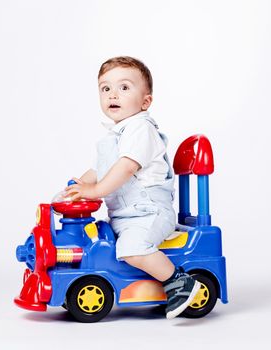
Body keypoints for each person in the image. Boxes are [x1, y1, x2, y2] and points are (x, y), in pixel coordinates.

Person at [66, 56, 200, 319]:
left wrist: (94, 191)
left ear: (145, 101)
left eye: (124, 87)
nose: (113, 94)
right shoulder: (113, 137)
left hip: (149, 213)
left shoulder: (140, 128)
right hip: (126, 217)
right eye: (106, 88)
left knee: (132, 248)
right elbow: (100, 172)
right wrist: (79, 186)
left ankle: (180, 282)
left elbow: (126, 167)